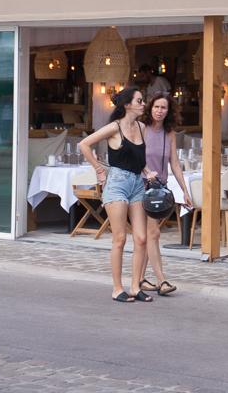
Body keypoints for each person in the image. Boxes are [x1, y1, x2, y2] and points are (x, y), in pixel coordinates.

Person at [79, 87, 156, 303]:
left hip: (137, 183)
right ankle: (117, 288)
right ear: (127, 105)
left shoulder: (141, 127)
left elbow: (138, 158)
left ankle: (134, 287)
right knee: (120, 239)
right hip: (117, 184)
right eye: (139, 101)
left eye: (143, 100)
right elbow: (84, 144)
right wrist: (99, 169)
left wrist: (148, 171)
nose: (143, 104)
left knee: (141, 238)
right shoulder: (114, 128)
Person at [136, 92, 192, 297]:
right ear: (150, 108)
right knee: (154, 233)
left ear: (169, 111)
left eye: (163, 108)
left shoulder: (169, 133)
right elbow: (134, 157)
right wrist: (146, 172)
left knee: (148, 236)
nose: (159, 111)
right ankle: (162, 281)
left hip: (160, 189)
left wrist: (185, 190)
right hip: (141, 186)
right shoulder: (141, 128)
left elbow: (174, 163)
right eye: (156, 107)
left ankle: (140, 279)